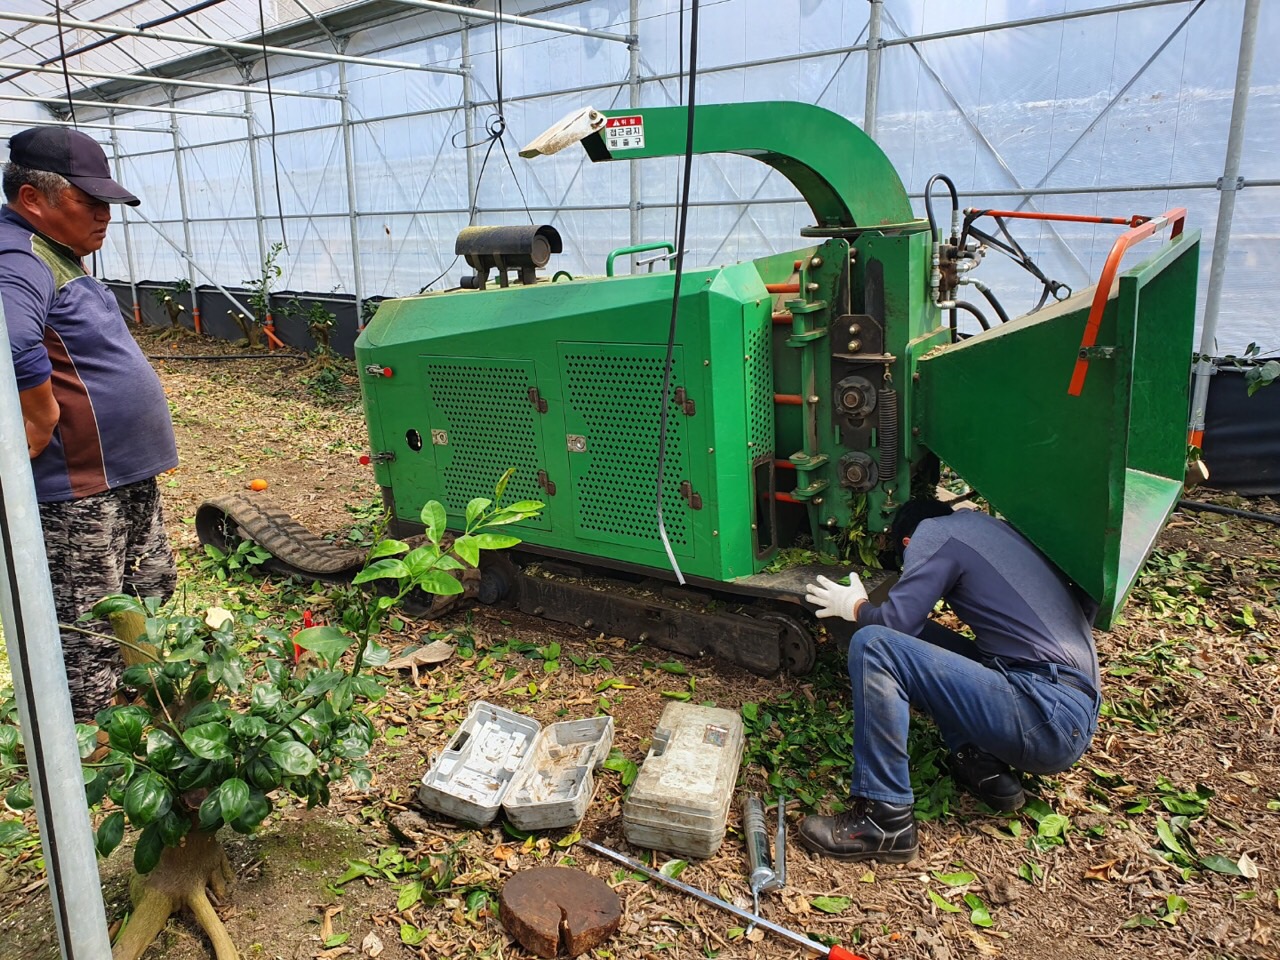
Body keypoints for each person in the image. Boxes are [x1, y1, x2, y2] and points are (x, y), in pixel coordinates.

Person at [796, 499, 1100, 863]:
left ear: (907, 543)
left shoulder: (934, 534)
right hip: (1070, 705)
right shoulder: (990, 527)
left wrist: (856, 607)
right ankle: (982, 763)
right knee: (917, 640)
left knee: (875, 644)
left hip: (1044, 717)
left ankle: (885, 819)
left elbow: (892, 625)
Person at [1, 126, 178, 721]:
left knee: (147, 586)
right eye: (90, 201)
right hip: (78, 489)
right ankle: (88, 748)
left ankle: (143, 702)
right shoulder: (17, 257)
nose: (105, 215)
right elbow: (17, 336)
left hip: (119, 477)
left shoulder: (54, 253)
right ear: (33, 199)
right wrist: (39, 412)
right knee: (88, 625)